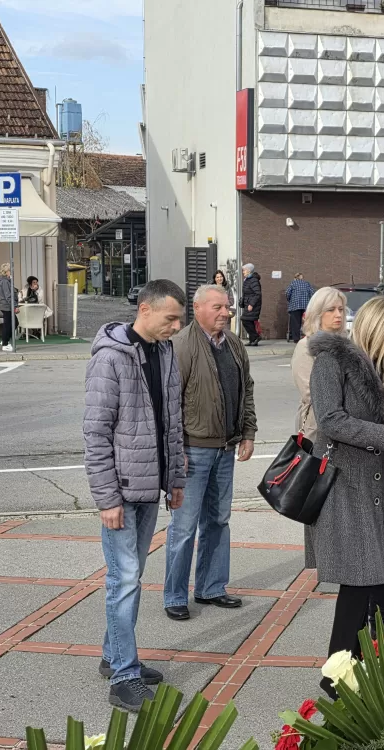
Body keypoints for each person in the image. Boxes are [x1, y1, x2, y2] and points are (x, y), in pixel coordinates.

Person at [307, 296, 384, 697]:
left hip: (377, 484)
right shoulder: (331, 360)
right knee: (361, 581)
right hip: (343, 484)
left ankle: (355, 666)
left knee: (379, 579)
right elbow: (329, 420)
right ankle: (336, 674)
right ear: (374, 328)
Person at [84, 279, 187, 711]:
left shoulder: (163, 352)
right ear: (144, 310)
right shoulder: (110, 358)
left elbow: (173, 422)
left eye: (179, 319)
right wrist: (107, 499)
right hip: (123, 491)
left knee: (131, 577)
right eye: (171, 318)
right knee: (123, 580)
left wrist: (176, 479)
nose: (177, 327)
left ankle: (116, 656)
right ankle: (124, 677)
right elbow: (95, 433)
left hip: (151, 486)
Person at [164, 284, 257, 620]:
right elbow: (169, 406)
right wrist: (177, 452)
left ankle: (211, 588)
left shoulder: (233, 344)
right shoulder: (181, 346)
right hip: (192, 450)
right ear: (198, 308)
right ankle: (175, 595)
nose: (226, 312)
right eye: (218, 307)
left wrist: (248, 431)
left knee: (218, 520)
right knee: (184, 526)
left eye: (228, 307)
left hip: (225, 448)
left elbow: (246, 389)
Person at [291, 287, 347, 443]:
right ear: (317, 313)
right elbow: (309, 392)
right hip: (317, 426)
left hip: (348, 425)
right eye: (331, 310)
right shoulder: (306, 345)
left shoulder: (346, 344)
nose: (338, 315)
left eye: (341, 309)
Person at [0, 263, 19, 352]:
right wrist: (14, 306)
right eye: (10, 270)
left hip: (6, 305)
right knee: (10, 324)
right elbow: (8, 295)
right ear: (6, 272)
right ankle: (5, 343)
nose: (12, 272)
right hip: (7, 306)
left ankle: (4, 340)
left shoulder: (5, 280)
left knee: (13, 323)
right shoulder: (5, 281)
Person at [285, 272, 315, 342]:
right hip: (305, 306)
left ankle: (296, 339)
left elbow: (287, 293)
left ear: (295, 278)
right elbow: (312, 293)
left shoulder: (293, 283)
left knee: (295, 322)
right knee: (306, 322)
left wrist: (289, 300)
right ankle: (306, 336)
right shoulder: (307, 284)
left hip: (295, 306)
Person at [240, 263, 262, 346]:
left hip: (253, 306)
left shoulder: (253, 280)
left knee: (245, 319)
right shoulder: (248, 280)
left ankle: (255, 336)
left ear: (249, 271)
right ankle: (253, 340)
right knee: (249, 320)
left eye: (244, 270)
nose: (243, 272)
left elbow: (257, 293)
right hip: (248, 304)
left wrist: (251, 304)